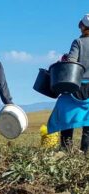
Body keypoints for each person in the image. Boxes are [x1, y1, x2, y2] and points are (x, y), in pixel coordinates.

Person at [48, 14, 89, 153]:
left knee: (66, 114)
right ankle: (86, 152)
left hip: (76, 86)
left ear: (83, 27)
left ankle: (66, 150)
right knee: (88, 123)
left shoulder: (78, 42)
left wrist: (64, 59)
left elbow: (72, 61)